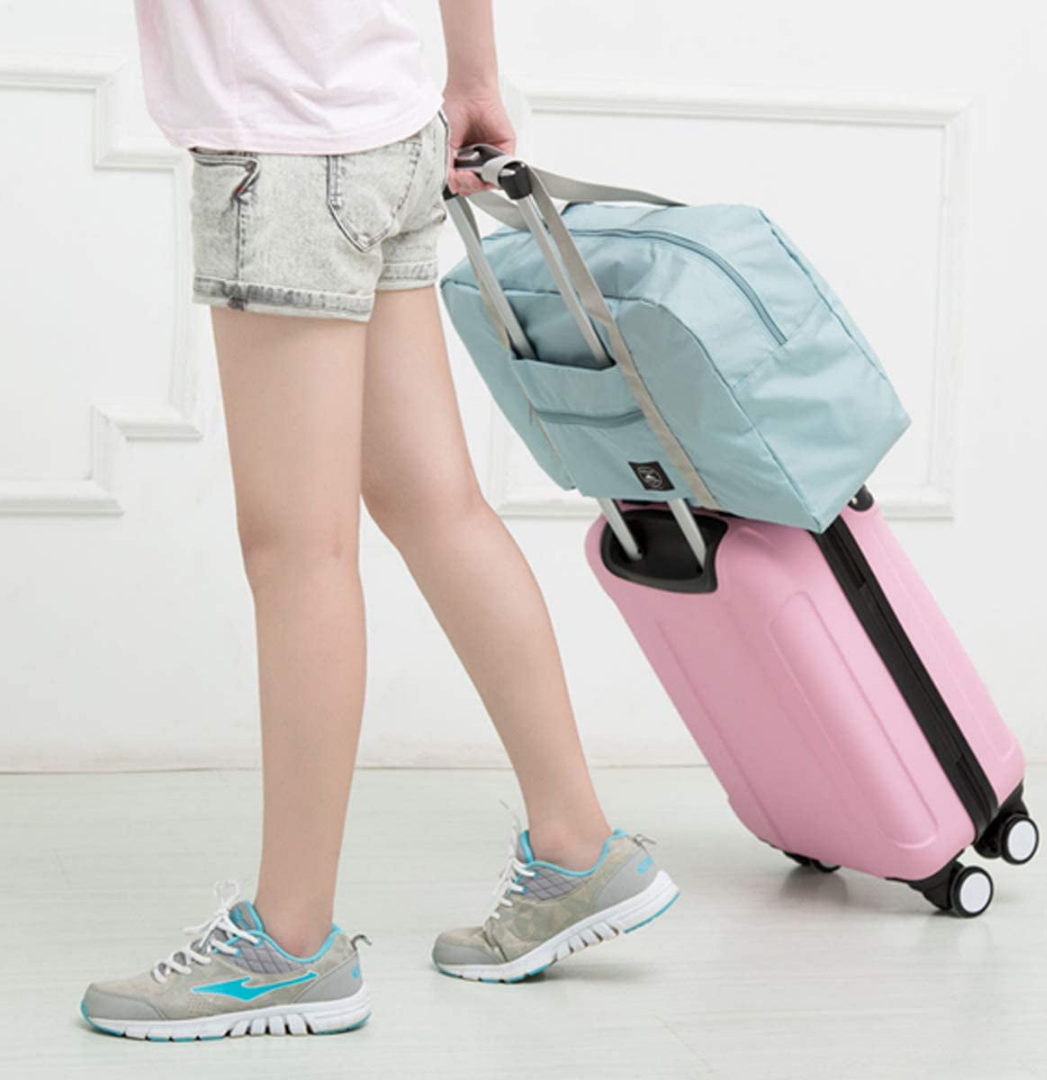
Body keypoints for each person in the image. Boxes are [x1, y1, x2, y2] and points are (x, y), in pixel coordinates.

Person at [80, 0, 678, 1041]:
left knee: (298, 553)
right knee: (435, 504)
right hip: (389, 122)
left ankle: (289, 945)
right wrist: (474, 75)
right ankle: (577, 847)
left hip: (283, 150)